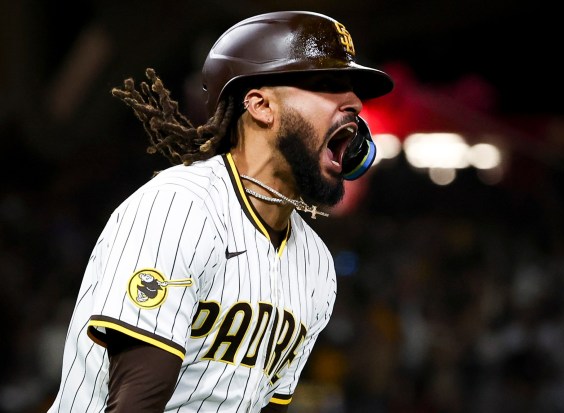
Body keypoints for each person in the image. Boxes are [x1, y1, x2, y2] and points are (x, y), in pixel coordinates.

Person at [47, 10, 393, 412]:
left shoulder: (315, 263)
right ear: (261, 105)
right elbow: (134, 401)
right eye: (328, 84)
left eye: (352, 89)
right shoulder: (181, 208)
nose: (354, 101)